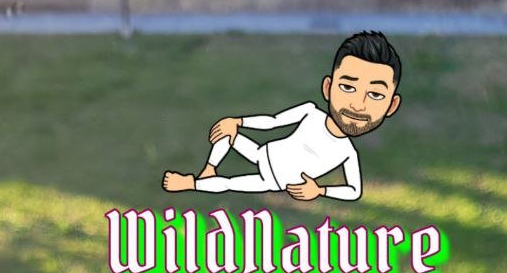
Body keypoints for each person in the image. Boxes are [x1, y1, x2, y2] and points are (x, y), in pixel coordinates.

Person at [162, 30, 401, 204]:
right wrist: (240, 122)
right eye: (348, 88)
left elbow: (354, 190)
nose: (357, 104)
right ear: (328, 88)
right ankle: (209, 169)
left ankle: (191, 183)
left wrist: (320, 190)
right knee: (228, 132)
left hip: (275, 180)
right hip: (263, 153)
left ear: (391, 106)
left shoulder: (347, 152)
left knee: (229, 183)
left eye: (375, 94)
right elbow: (274, 121)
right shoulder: (310, 112)